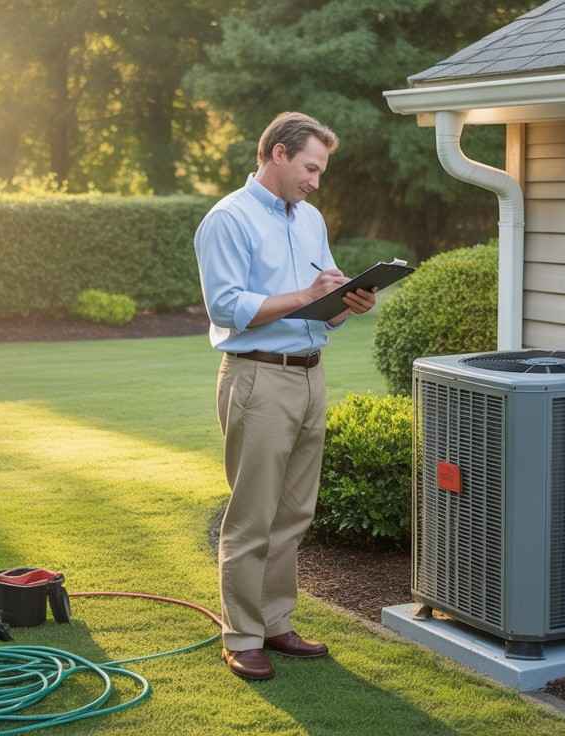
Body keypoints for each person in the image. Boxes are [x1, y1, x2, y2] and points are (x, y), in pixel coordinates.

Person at [193, 112, 376, 681]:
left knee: (294, 512)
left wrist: (346, 304)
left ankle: (276, 622)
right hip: (257, 378)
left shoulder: (311, 219)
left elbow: (313, 304)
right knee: (253, 515)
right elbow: (226, 306)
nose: (316, 181)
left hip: (309, 374)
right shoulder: (229, 218)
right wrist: (304, 295)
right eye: (310, 168)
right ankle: (242, 634)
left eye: (321, 170)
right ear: (277, 153)